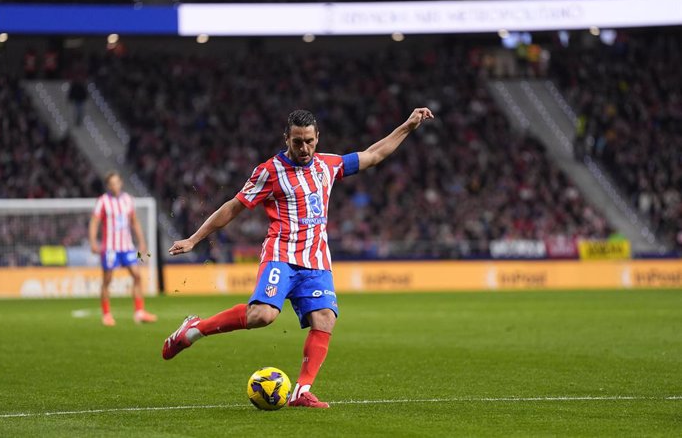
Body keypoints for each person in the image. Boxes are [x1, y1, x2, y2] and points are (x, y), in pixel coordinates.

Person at [162, 108, 434, 408]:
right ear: (286, 139)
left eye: (308, 141)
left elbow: (374, 154)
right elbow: (233, 207)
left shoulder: (329, 165)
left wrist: (407, 127)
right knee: (262, 316)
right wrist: (194, 239)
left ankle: (301, 391)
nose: (303, 148)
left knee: (325, 318)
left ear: (317, 139)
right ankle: (194, 329)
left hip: (316, 260)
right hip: (281, 254)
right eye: (297, 142)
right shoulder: (269, 171)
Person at [89, 171, 157, 326]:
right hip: (110, 248)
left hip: (126, 246)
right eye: (112, 183)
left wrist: (142, 241)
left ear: (121, 183)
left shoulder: (127, 200)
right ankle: (106, 314)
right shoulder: (103, 201)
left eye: (117, 182)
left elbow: (134, 222)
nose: (115, 186)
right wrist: (93, 241)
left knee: (137, 275)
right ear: (108, 185)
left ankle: (139, 312)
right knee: (107, 280)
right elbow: (94, 222)